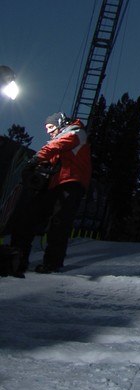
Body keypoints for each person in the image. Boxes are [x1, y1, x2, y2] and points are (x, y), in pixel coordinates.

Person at [9, 112, 92, 274]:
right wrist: (40, 167)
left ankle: (52, 263)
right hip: (56, 184)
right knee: (28, 218)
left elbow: (56, 147)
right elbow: (54, 156)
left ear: (61, 124)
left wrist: (35, 160)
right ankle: (18, 259)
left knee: (59, 222)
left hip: (70, 182)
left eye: (51, 127)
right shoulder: (63, 137)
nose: (49, 131)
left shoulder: (76, 132)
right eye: (47, 128)